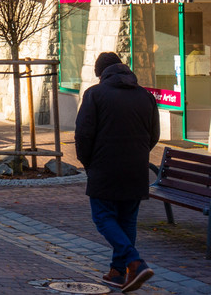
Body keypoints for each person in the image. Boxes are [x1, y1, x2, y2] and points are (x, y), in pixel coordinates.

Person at [75, 51, 160, 292]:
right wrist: (138, 155)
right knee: (127, 220)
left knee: (103, 218)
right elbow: (154, 135)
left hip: (104, 168)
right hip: (136, 169)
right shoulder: (145, 96)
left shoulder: (95, 95)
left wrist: (88, 163)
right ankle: (117, 272)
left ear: (100, 74)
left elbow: (83, 135)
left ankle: (135, 262)